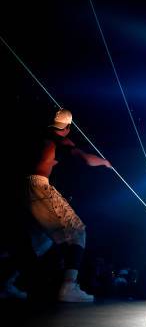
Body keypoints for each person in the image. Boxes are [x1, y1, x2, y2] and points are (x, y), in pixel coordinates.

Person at [25, 109, 112, 302]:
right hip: (39, 187)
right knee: (78, 231)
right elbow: (88, 160)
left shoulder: (44, 138)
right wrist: (105, 162)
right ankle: (69, 287)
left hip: (25, 188)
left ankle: (6, 282)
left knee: (39, 243)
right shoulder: (62, 141)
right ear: (68, 127)